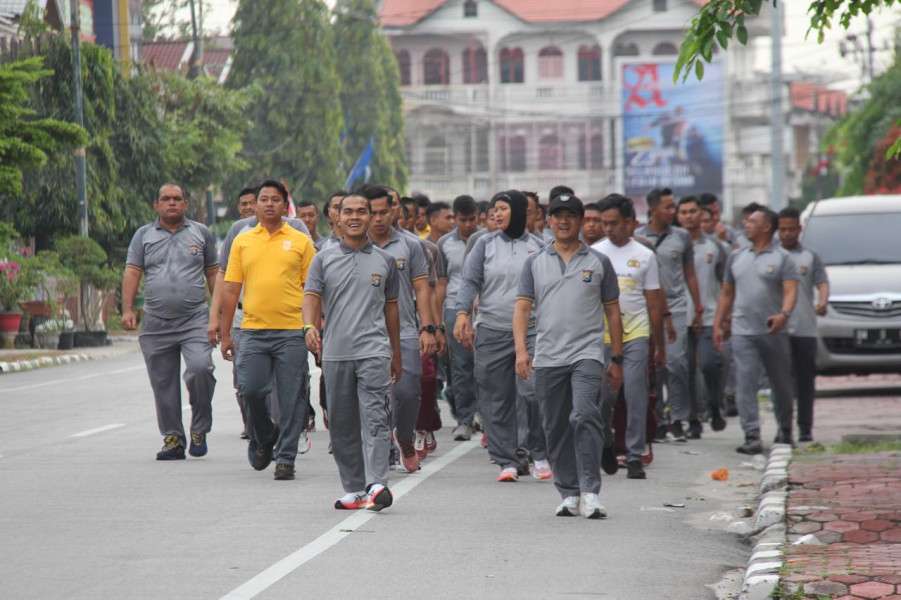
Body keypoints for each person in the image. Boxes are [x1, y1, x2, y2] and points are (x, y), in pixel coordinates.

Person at [515, 193, 624, 518]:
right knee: (556, 426)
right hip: (548, 357)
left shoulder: (598, 262)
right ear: (549, 220)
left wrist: (615, 358)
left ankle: (590, 490)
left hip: (586, 355)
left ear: (580, 221)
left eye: (571, 215)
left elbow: (613, 313)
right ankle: (568, 492)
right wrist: (522, 350)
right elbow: (522, 309)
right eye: (557, 215)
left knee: (584, 414)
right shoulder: (535, 262)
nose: (564, 221)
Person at [303, 192, 401, 511]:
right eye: (349, 212)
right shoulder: (323, 257)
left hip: (373, 351)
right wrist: (309, 327)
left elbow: (391, 310)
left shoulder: (384, 261)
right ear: (339, 218)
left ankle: (377, 485)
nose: (355, 217)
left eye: (362, 211)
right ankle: (355, 488)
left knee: (375, 418)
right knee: (342, 425)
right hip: (335, 352)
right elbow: (311, 296)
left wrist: (395, 353)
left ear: (372, 216)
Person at [218, 180, 316, 480]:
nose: (269, 204)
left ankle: (286, 458)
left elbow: (312, 289)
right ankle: (264, 437)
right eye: (264, 199)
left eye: (276, 199)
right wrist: (224, 333)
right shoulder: (243, 240)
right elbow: (230, 288)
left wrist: (313, 327)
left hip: (291, 332)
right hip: (252, 331)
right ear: (255, 204)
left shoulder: (301, 240)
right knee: (249, 390)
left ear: (285, 205)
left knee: (290, 398)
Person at [455, 190, 550, 482]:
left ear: (520, 212)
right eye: (494, 209)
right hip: (492, 329)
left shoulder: (539, 247)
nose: (495, 214)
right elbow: (470, 281)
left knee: (534, 392)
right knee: (496, 398)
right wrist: (462, 315)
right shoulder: (484, 244)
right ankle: (506, 459)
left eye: (503, 209)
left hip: (532, 329)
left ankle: (539, 451)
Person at [122, 183, 218, 460]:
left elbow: (214, 275)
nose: (172, 203)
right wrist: (127, 309)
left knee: (201, 369)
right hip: (155, 322)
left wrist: (218, 316)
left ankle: (199, 428)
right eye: (166, 199)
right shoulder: (143, 236)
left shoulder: (201, 233)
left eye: (177, 199)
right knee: (162, 382)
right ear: (156, 205)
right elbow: (132, 272)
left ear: (186, 204)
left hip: (195, 320)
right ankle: (173, 438)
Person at [714, 208, 799, 454]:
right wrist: (719, 324)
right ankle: (751, 435)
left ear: (766, 227)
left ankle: (785, 430)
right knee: (745, 382)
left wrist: (784, 314)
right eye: (746, 220)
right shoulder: (736, 257)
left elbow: (791, 290)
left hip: (774, 330)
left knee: (781, 383)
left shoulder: (783, 258)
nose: (746, 224)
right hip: (743, 331)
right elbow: (727, 293)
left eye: (752, 221)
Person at [594, 194, 667, 480]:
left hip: (636, 333)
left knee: (636, 393)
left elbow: (654, 304)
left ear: (629, 222)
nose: (608, 229)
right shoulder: (595, 253)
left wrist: (659, 346)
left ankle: (635, 455)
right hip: (601, 336)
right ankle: (607, 442)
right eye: (604, 223)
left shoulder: (645, 255)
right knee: (601, 397)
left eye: (613, 223)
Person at [368, 188, 438, 473]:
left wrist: (428, 328)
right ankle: (381, 448)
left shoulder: (411, 246)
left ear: (394, 211)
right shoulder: (355, 246)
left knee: (408, 392)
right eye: (371, 213)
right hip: (367, 333)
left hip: (406, 330)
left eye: (383, 212)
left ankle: (405, 436)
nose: (377, 218)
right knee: (374, 394)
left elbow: (423, 288)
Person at [635, 188, 702, 442]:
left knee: (677, 364)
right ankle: (659, 420)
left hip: (677, 304)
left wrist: (697, 308)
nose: (673, 212)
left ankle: (677, 418)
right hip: (647, 306)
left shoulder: (682, 237)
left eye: (673, 206)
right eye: (668, 207)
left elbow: (690, 273)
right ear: (653, 210)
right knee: (653, 366)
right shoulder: (638, 237)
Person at [677, 196, 728, 437]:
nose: (688, 216)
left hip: (709, 316)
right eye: (683, 212)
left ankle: (715, 405)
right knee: (685, 368)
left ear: (701, 215)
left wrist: (724, 317)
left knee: (708, 365)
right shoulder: (672, 245)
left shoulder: (716, 247)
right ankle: (692, 420)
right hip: (680, 317)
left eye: (693, 211)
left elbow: (727, 285)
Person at [778, 207, 829, 442]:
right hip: (777, 330)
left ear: (799, 229)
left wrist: (823, 301)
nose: (787, 234)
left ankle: (805, 428)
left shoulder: (810, 256)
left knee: (805, 381)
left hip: (804, 328)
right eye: (783, 229)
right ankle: (783, 428)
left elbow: (822, 282)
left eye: (791, 229)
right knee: (781, 382)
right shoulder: (773, 256)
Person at [437, 195, 482, 441]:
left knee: (485, 367)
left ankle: (485, 415)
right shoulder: (444, 243)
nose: (467, 224)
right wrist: (441, 322)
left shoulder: (487, 240)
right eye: (462, 220)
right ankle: (464, 419)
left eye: (471, 219)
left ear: (478, 216)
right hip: (455, 309)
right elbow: (441, 283)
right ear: (455, 218)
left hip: (483, 309)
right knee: (461, 367)